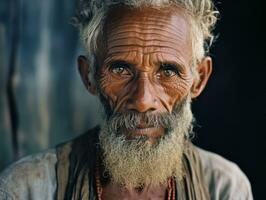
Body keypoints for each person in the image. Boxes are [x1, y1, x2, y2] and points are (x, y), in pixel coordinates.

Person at [0, 0, 253, 199]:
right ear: (89, 77)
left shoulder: (224, 188)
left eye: (168, 71)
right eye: (121, 70)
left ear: (198, 79)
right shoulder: (25, 189)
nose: (143, 100)